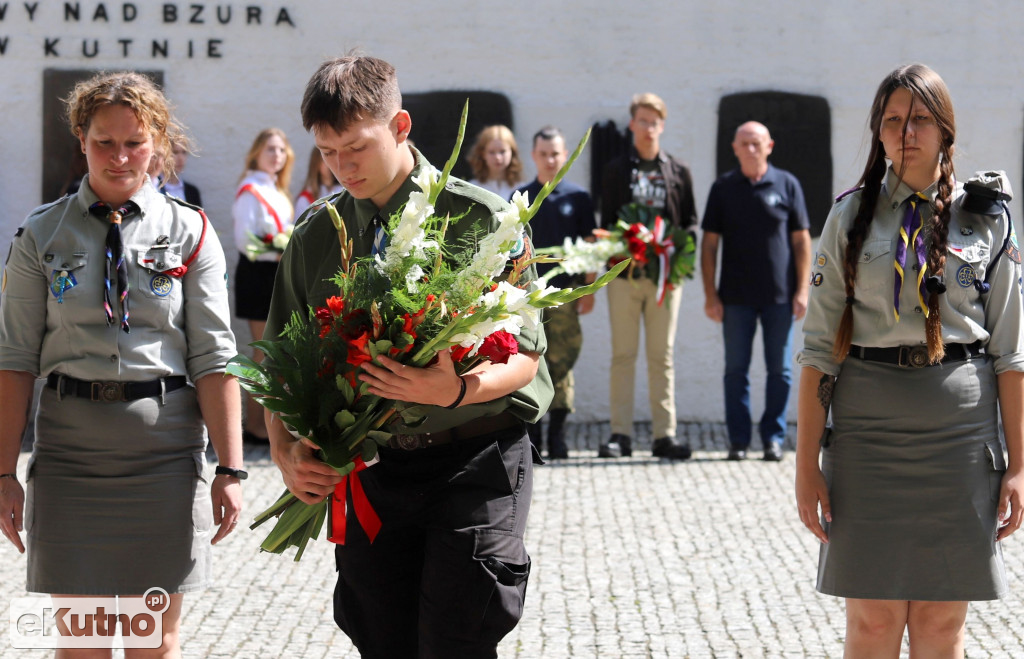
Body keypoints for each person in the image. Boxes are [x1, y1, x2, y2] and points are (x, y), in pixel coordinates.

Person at [265, 55, 552, 658]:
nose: (342, 168)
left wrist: (450, 391)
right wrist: (289, 451)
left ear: (400, 126)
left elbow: (525, 356)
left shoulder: (484, 220)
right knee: (381, 638)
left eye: (355, 148)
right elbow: (283, 371)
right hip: (372, 472)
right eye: (326, 152)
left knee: (457, 637)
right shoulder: (317, 234)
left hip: (475, 456)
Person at [0, 71, 243, 656]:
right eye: (104, 141)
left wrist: (231, 469)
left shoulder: (191, 231)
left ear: (157, 140)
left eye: (134, 141)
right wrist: (4, 473)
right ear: (81, 139)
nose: (119, 155)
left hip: (163, 458)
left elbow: (214, 356)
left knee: (151, 637)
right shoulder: (40, 234)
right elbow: (14, 358)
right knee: (80, 639)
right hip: (69, 458)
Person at [795, 63, 1024, 656]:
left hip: (959, 441)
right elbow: (818, 350)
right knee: (871, 620)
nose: (906, 132)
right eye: (892, 120)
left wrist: (1020, 465)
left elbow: (1011, 353)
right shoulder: (848, 218)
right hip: (868, 439)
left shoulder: (989, 219)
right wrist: (805, 466)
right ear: (878, 131)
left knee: (941, 622)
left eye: (920, 118)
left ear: (945, 128)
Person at [701, 121, 811, 462]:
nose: (750, 149)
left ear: (770, 146)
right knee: (736, 371)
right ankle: (737, 440)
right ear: (734, 148)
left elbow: (801, 240)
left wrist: (802, 290)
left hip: (780, 296)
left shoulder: (787, 184)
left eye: (757, 143)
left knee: (780, 371)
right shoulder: (722, 188)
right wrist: (710, 294)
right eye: (744, 143)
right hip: (734, 298)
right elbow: (709, 246)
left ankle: (773, 438)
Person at [598, 92, 697, 460]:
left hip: (666, 279)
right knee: (623, 354)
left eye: (654, 122)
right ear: (632, 125)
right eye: (642, 120)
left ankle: (664, 436)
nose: (648, 127)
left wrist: (675, 255)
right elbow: (606, 223)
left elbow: (689, 222)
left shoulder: (678, 171)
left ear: (662, 126)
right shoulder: (614, 170)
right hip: (624, 275)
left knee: (662, 356)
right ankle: (619, 435)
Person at [516, 126, 596, 459]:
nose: (551, 160)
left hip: (566, 293)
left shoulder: (578, 198)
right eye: (544, 153)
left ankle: (559, 436)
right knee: (531, 362)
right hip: (530, 295)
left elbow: (591, 245)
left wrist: (589, 287)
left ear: (565, 156)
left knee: (562, 362)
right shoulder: (522, 196)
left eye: (556, 153)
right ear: (534, 156)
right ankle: (533, 436)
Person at [232, 127, 295, 443]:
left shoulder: (275, 188)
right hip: (258, 274)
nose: (277, 156)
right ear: (257, 152)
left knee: (275, 351)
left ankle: (265, 422)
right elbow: (245, 241)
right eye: (270, 149)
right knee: (264, 352)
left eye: (281, 150)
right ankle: (254, 424)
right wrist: (280, 247)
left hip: (275, 272)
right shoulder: (250, 189)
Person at [467, 124, 523, 200]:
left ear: (512, 152)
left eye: (502, 151)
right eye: (491, 152)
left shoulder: (521, 188)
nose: (497, 157)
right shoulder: (472, 188)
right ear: (483, 154)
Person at [294, 146, 343, 218]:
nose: (330, 164)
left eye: (334, 159)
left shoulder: (345, 190)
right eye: (325, 159)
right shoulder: (306, 199)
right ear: (316, 164)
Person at [161, 136, 203, 206]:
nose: (181, 158)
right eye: (175, 152)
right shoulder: (154, 187)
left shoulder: (192, 192)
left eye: (184, 152)